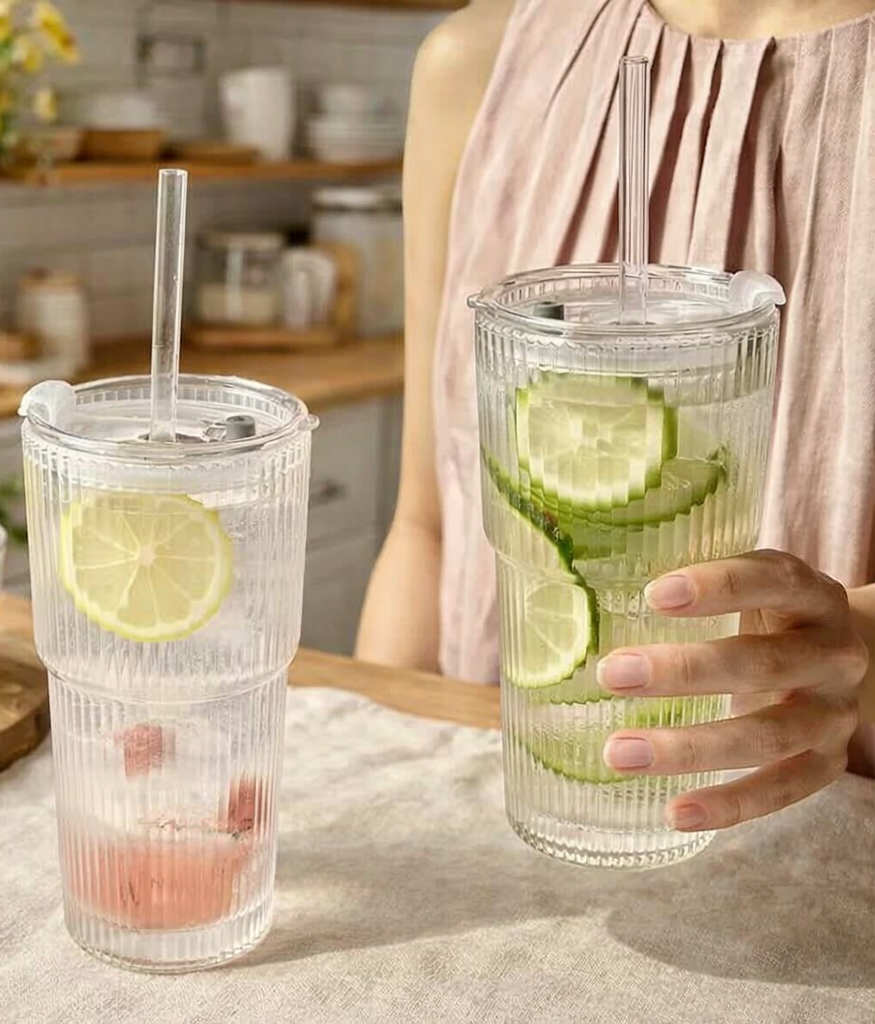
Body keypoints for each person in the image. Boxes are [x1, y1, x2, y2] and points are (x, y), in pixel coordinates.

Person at [357, 0, 875, 832]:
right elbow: (427, 529)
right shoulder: (474, 63)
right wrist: (380, 790)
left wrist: (854, 644)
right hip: (508, 844)